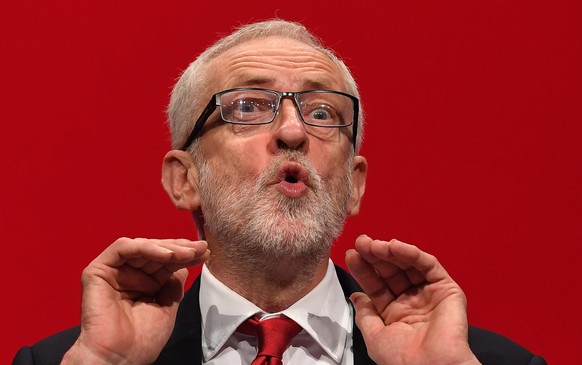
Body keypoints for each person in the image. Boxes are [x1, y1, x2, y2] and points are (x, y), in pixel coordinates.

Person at [13, 19, 546, 365]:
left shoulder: (485, 362)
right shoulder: (67, 360)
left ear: (353, 185)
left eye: (322, 113)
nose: (293, 132)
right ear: (184, 178)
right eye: (247, 106)